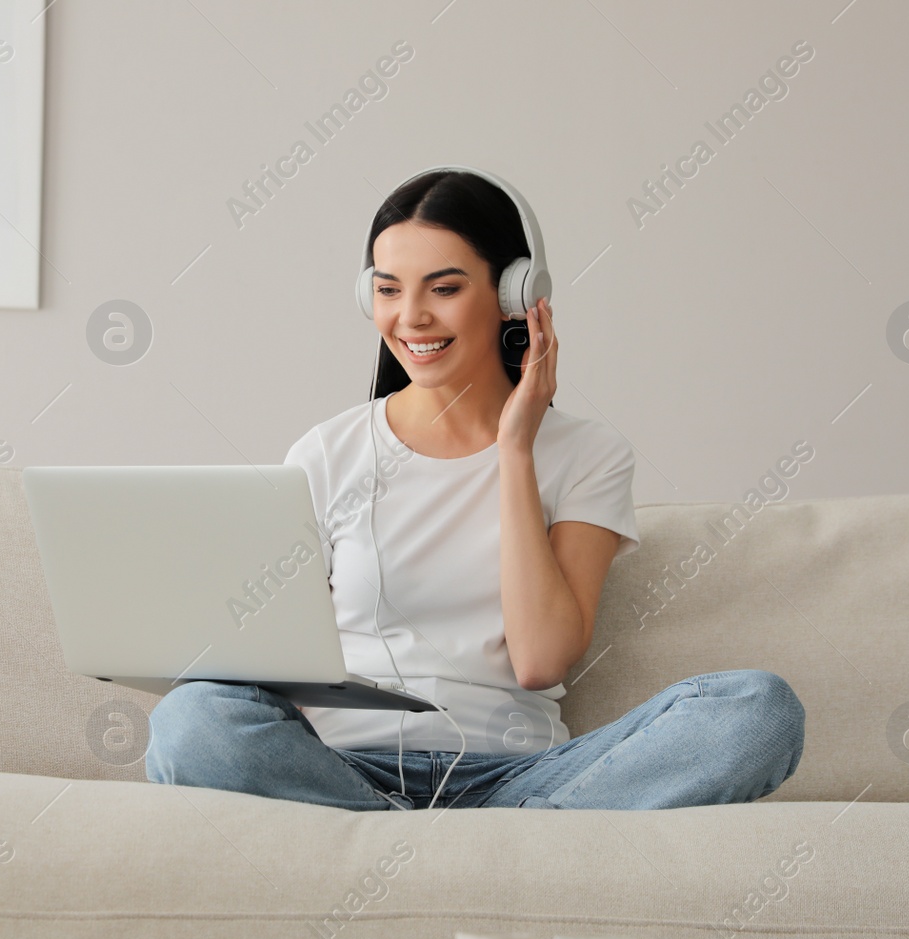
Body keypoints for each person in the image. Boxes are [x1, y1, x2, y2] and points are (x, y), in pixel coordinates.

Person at [144, 168, 804, 811]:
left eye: (445, 288)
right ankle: (416, 833)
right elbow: (275, 657)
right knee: (191, 720)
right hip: (346, 767)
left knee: (756, 710)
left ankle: (433, 841)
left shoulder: (586, 454)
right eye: (388, 289)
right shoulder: (326, 451)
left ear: (516, 294)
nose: (411, 317)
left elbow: (541, 660)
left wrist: (515, 448)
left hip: (522, 775)